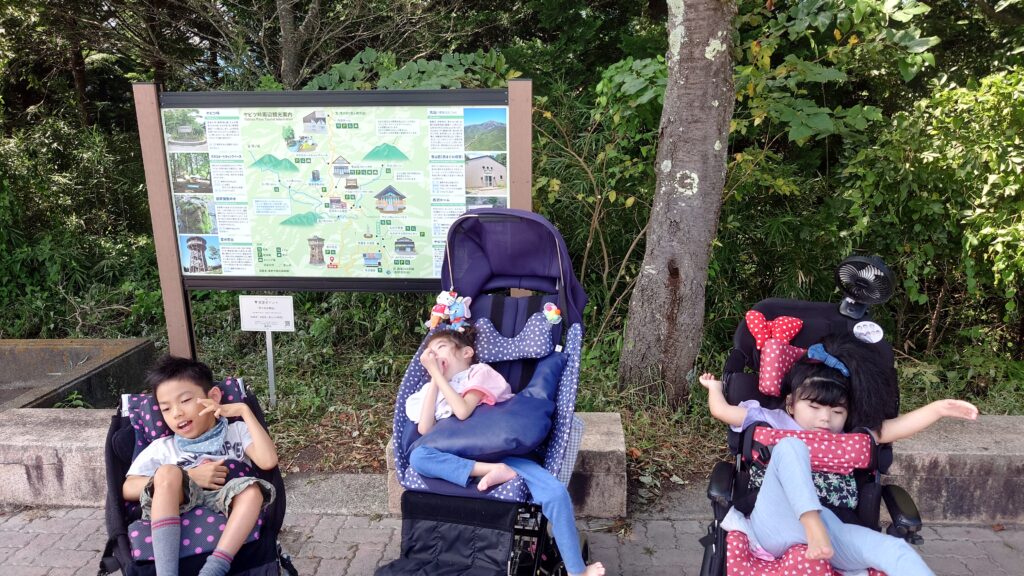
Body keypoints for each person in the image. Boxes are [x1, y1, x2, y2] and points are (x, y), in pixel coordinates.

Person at [700, 332, 978, 576]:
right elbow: (721, 411)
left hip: (832, 525)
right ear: (791, 404)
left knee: (895, 551)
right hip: (775, 522)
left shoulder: (849, 435)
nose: (825, 418)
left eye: (837, 411)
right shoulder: (771, 420)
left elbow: (895, 428)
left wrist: (938, 409)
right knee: (790, 447)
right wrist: (715, 388)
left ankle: (818, 529)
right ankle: (811, 525)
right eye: (814, 407)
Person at [406, 326, 605, 576]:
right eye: (429, 352)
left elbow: (463, 411)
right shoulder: (431, 390)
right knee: (418, 457)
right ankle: (493, 470)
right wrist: (435, 380)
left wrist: (437, 373)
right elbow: (425, 430)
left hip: (503, 449)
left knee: (554, 493)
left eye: (441, 347)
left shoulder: (479, 373)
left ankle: (577, 571)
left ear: (467, 352)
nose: (433, 355)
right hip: (464, 454)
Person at [122, 356, 278, 576]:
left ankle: (214, 569)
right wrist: (190, 476)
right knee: (167, 472)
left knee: (252, 491)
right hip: (178, 501)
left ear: (213, 397)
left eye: (185, 400)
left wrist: (244, 411)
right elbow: (128, 488)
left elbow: (268, 461)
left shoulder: (236, 431)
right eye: (166, 409)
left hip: (227, 498)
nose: (176, 413)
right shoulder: (163, 447)